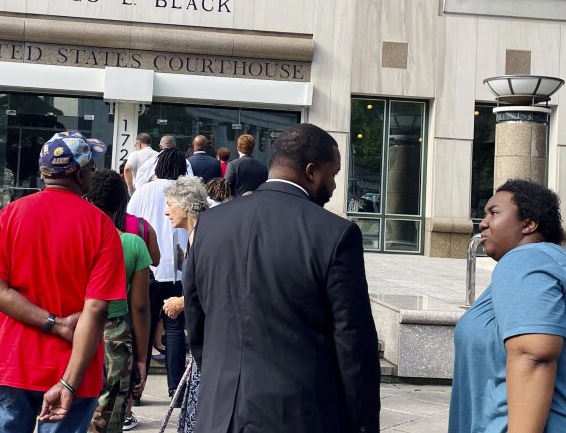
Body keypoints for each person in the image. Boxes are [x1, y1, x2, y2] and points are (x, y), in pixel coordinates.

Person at [183, 123, 380, 432]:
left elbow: (196, 323)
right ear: (312, 172)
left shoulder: (210, 224)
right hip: (297, 418)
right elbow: (353, 347)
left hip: (218, 414)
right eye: (334, 174)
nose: (334, 185)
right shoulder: (336, 234)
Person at [0, 130, 126, 432]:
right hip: (72, 372)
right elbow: (96, 310)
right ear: (82, 174)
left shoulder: (8, 216)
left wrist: (51, 323)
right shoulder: (102, 228)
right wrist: (68, 382)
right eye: (91, 169)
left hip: (9, 365)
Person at [449, 179, 566, 432]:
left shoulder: (526, 259)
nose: (483, 222)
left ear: (529, 224)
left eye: (494, 213)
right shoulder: (550, 261)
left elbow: (534, 354)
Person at [85, 170, 152, 433]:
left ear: (89, 199)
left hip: (73, 327)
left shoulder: (78, 239)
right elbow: (140, 307)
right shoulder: (133, 244)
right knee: (108, 417)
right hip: (115, 337)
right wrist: (142, 358)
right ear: (122, 203)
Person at [127, 148, 189, 399]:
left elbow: (130, 222)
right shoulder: (186, 193)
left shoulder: (143, 191)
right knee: (174, 329)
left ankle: (136, 389)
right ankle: (175, 389)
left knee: (142, 325)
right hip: (179, 270)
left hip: (147, 269)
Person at [158, 176, 208, 433]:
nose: (166, 211)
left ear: (186, 205)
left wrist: (182, 301)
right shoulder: (193, 237)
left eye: (169, 204)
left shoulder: (203, 236)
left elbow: (213, 286)